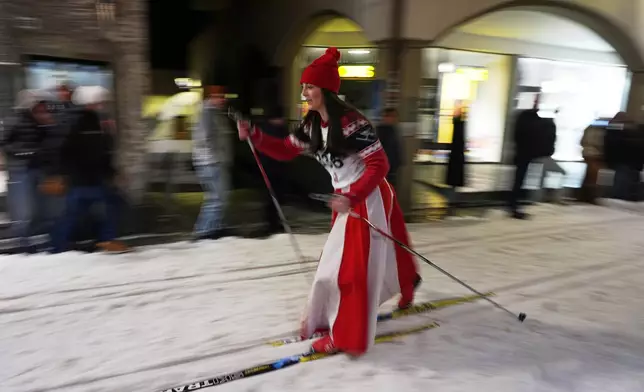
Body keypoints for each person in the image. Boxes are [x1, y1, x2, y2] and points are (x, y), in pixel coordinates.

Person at [237, 47, 421, 356]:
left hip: (367, 198)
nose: (305, 91)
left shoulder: (352, 123)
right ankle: (392, 290)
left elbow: (381, 166)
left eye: (310, 86)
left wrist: (352, 196)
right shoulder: (311, 125)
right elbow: (285, 149)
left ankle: (347, 335)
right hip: (347, 200)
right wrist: (254, 135)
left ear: (326, 89)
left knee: (351, 271)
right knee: (342, 264)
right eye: (304, 86)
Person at [52, 86, 128, 253]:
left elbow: (101, 152)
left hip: (92, 176)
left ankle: (60, 245)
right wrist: (62, 174)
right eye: (99, 102)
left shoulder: (94, 120)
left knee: (78, 211)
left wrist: (112, 172)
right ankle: (104, 239)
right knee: (110, 203)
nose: (102, 105)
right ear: (88, 103)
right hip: (81, 177)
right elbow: (63, 149)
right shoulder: (75, 120)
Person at [192, 85, 234, 240]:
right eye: (220, 96)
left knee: (220, 196)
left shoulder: (215, 113)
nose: (223, 99)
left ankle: (215, 227)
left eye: (223, 96)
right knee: (216, 197)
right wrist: (216, 155)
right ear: (212, 97)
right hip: (210, 162)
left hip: (216, 161)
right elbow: (205, 137)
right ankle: (203, 231)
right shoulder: (207, 113)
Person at [375, 108, 403, 189]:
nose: (395, 119)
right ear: (386, 117)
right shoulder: (381, 131)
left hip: (391, 166)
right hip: (385, 167)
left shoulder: (393, 129)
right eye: (393, 116)